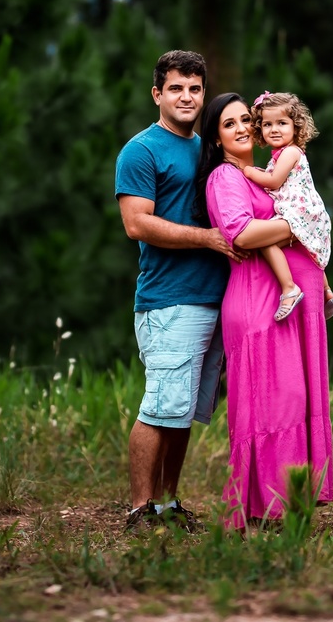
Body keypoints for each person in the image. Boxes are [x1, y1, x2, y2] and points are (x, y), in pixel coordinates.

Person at [194, 92, 333, 531]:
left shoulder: (267, 171)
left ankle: (291, 500)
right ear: (215, 139)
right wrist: (296, 227)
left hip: (283, 300)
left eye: (244, 120)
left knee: (292, 401)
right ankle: (263, 505)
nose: (241, 129)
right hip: (256, 302)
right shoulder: (225, 176)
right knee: (272, 404)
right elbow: (240, 233)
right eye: (228, 124)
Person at [114, 50, 242, 533]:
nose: (186, 97)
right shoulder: (141, 150)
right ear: (157, 94)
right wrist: (206, 238)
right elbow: (136, 223)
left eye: (194, 88)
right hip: (169, 300)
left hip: (213, 298)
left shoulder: (208, 148)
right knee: (159, 407)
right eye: (175, 88)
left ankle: (167, 505)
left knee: (181, 411)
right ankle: (139, 509)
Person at [239, 91, 333, 322]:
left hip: (300, 212)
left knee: (265, 241)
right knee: (310, 248)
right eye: (267, 124)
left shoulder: (291, 152)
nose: (274, 129)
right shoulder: (281, 155)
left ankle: (289, 288)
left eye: (282, 123)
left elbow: (274, 181)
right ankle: (326, 292)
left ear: (296, 126)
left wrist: (248, 171)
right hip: (305, 212)